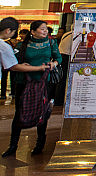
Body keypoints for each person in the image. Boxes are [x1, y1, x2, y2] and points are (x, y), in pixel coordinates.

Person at [4, 19, 61, 157]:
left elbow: (58, 58)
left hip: (44, 82)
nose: (45, 31)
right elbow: (14, 61)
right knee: (19, 112)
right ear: (33, 31)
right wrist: (22, 63)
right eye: (42, 29)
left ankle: (39, 145)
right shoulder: (23, 44)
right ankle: (13, 145)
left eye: (46, 29)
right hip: (24, 81)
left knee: (42, 112)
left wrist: (53, 64)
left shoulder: (51, 43)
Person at [55, 26, 72, 106]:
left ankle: (58, 99)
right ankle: (59, 100)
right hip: (66, 57)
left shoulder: (67, 34)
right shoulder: (74, 35)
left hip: (61, 56)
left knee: (61, 79)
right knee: (63, 80)